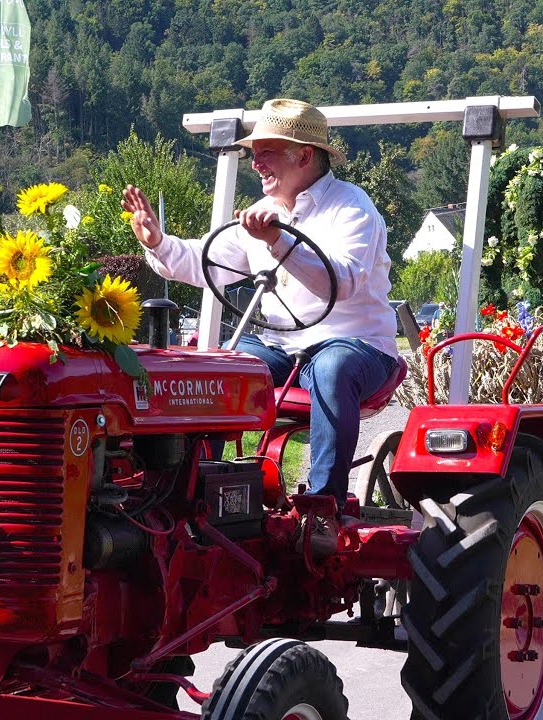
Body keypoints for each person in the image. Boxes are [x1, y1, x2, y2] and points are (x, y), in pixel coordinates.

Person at [122, 98, 399, 552]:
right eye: (254, 152)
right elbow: (206, 261)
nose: (256, 162)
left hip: (357, 345)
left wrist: (276, 240)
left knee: (332, 368)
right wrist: (158, 241)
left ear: (304, 155)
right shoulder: (260, 211)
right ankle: (193, 497)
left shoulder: (352, 208)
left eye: (267, 151)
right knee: (213, 371)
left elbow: (342, 283)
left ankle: (323, 507)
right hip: (281, 344)